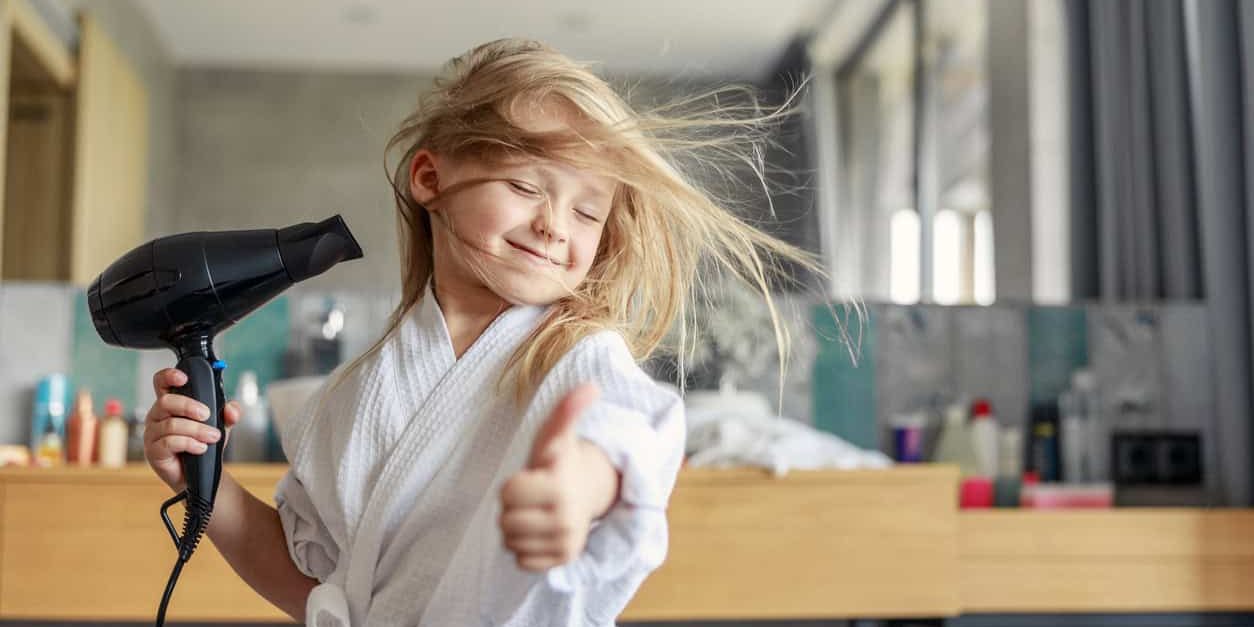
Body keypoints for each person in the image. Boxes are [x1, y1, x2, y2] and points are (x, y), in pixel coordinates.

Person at [142, 38, 822, 626]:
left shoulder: (576, 356)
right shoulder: (352, 395)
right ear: (431, 177)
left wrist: (579, 488)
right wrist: (210, 486)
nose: (557, 223)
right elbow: (316, 588)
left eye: (588, 211)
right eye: (526, 186)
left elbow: (624, 437)